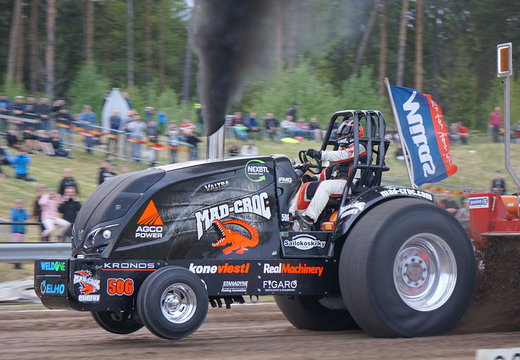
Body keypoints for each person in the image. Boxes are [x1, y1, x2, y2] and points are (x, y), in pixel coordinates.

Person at [292, 119, 367, 230]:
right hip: (338, 183)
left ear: (354, 134)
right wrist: (313, 178)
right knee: (307, 186)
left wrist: (320, 154)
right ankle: (295, 220)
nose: (342, 136)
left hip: (350, 185)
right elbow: (329, 172)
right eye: (341, 134)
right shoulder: (343, 151)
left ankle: (309, 219)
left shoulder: (360, 147)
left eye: (345, 134)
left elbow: (342, 155)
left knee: (325, 186)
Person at [10, 198, 29, 269]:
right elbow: (14, 217)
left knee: (21, 248)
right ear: (15, 204)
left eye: (21, 203)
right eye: (17, 203)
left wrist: (23, 209)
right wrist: (18, 209)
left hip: (22, 232)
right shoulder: (13, 211)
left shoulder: (23, 211)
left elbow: (26, 217)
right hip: (15, 231)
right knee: (15, 248)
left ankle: (19, 264)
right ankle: (15, 264)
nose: (19, 205)